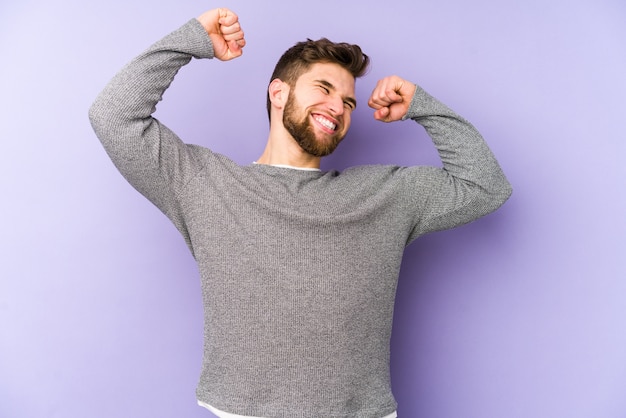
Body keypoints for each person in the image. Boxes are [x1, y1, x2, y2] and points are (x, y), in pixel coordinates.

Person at [89, 7, 512, 418]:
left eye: (348, 102)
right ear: (279, 92)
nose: (338, 108)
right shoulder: (205, 184)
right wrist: (192, 40)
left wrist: (422, 105)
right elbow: (113, 116)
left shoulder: (386, 195)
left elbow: (485, 186)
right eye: (324, 89)